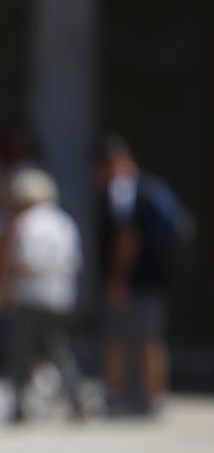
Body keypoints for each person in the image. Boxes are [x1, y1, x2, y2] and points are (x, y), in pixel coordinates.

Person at [93, 135, 180, 416]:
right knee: (147, 339)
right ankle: (151, 398)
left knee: (127, 341)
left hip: (134, 281)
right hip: (153, 278)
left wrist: (117, 279)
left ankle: (120, 397)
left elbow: (128, 238)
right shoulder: (151, 186)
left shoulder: (124, 189)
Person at [2, 168, 88, 422]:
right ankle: (77, 397)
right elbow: (75, 261)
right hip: (60, 296)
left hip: (31, 297)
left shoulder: (26, 222)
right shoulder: (64, 221)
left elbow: (23, 262)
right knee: (58, 348)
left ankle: (19, 406)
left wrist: (6, 287)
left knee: (20, 351)